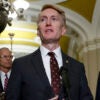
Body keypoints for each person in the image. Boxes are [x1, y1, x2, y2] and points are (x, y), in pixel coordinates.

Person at [6, 4, 93, 100]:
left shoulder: (77, 67)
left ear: (63, 30)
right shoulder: (20, 65)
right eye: (43, 19)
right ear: (38, 31)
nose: (48, 23)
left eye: (54, 19)